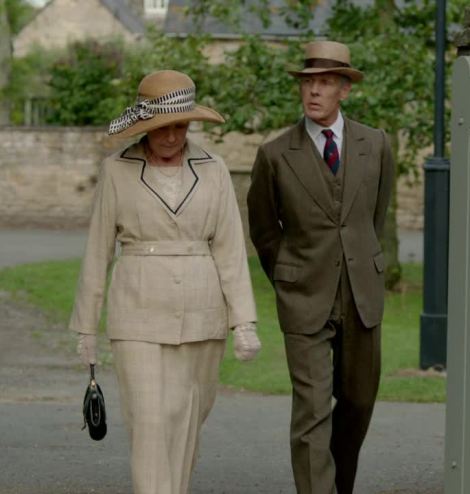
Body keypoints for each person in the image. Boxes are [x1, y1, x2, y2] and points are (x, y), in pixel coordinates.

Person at [70, 69, 262, 494]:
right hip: (137, 313)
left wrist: (244, 322)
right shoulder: (116, 170)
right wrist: (86, 326)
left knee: (187, 419)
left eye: (181, 126)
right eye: (162, 127)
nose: (172, 136)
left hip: (203, 314)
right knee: (150, 422)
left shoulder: (214, 169)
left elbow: (230, 249)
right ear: (144, 126)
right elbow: (98, 250)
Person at [247, 40, 394, 494]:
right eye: (308, 82)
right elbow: (264, 230)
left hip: (361, 294)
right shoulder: (275, 154)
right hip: (304, 296)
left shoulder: (376, 144)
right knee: (311, 410)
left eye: (326, 82)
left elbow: (374, 217)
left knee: (358, 401)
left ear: (344, 90)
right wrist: (290, 275)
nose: (314, 91)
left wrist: (361, 263)